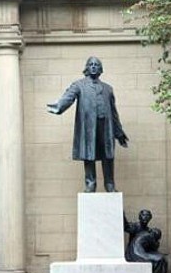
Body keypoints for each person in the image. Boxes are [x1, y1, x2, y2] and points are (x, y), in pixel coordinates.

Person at [47, 56, 128, 192]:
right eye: (91, 64)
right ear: (86, 68)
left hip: (105, 127)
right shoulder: (79, 85)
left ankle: (110, 184)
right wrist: (58, 107)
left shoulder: (108, 88)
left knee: (107, 155)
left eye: (96, 64)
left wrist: (119, 133)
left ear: (101, 69)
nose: (94, 66)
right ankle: (90, 183)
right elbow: (68, 97)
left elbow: (114, 112)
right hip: (89, 127)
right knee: (89, 154)